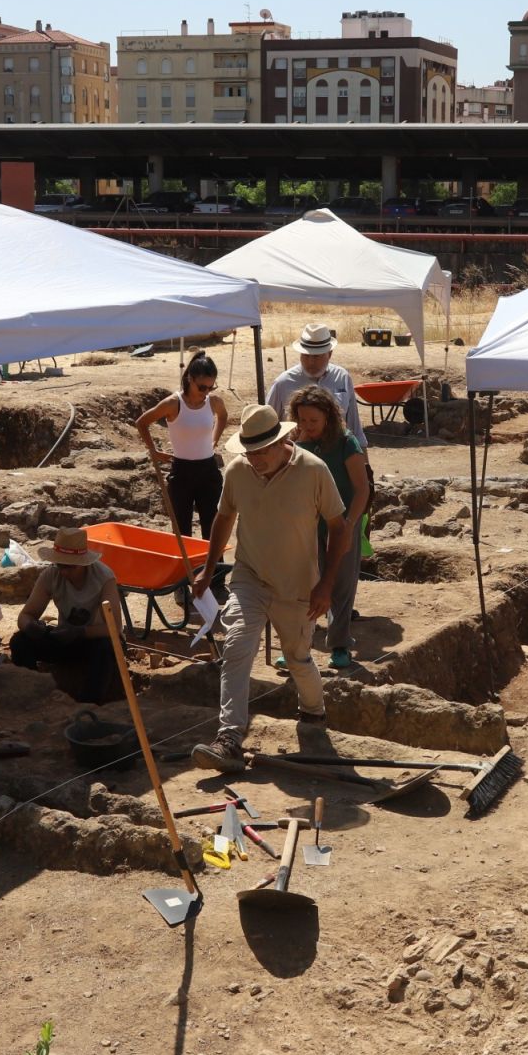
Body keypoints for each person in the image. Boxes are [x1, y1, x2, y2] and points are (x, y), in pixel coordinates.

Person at [190, 403, 349, 773]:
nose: (255, 459)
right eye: (249, 453)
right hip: (250, 576)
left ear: (283, 441)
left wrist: (326, 585)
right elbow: (224, 518)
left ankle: (313, 713)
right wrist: (208, 570)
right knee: (237, 648)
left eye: (262, 452)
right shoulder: (237, 472)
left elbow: (339, 527)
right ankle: (229, 738)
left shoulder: (313, 471)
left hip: (297, 585)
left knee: (297, 658)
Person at [289, 384, 369, 670]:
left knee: (340, 583)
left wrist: (349, 525)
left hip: (342, 520)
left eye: (314, 421)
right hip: (308, 523)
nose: (307, 426)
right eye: (302, 420)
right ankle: (297, 646)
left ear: (328, 418)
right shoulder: (297, 443)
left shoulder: (347, 443)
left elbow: (362, 489)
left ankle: (339, 644)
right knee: (305, 582)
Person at [11, 527, 124, 704]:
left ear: (83, 563)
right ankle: (32, 696)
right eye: (60, 565)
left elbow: (114, 627)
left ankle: (89, 705)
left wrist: (81, 632)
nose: (63, 572)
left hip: (95, 640)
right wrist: (30, 626)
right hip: (66, 639)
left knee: (105, 649)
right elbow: (26, 615)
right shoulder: (51, 574)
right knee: (20, 641)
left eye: (69, 567)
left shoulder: (103, 577)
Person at [136, 352, 230, 539]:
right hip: (182, 472)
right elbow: (142, 422)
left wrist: (214, 440)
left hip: (208, 470)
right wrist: (153, 451)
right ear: (190, 378)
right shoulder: (173, 403)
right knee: (182, 530)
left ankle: (215, 568)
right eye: (202, 387)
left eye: (211, 387)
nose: (206, 392)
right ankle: (187, 568)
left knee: (212, 528)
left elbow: (224, 416)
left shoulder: (213, 401)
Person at [267, 323, 367, 450]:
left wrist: (365, 465)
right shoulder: (283, 383)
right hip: (296, 460)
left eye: (316, 356)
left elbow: (355, 427)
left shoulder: (342, 378)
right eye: (306, 355)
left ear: (329, 354)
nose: (310, 362)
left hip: (337, 457)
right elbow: (268, 427)